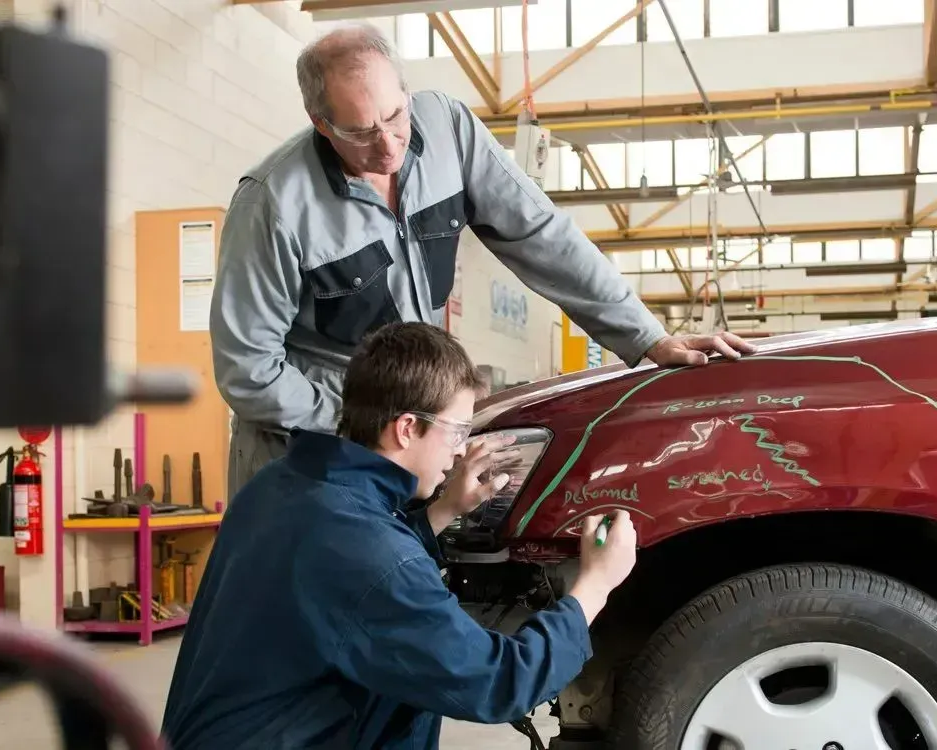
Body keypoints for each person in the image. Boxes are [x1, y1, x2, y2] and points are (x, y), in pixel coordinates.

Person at [210, 24, 755, 494]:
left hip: (402, 441)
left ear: (406, 89)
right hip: (303, 458)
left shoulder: (447, 128)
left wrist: (645, 336)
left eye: (396, 116)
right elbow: (248, 370)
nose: (388, 147)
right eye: (360, 132)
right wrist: (365, 424)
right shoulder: (273, 204)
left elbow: (541, 233)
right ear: (320, 122)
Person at [160, 322, 639, 749]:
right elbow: (496, 682)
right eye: (457, 432)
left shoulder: (282, 484)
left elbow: (347, 582)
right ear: (407, 428)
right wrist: (595, 584)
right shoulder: (371, 554)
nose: (459, 452)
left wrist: (444, 510)